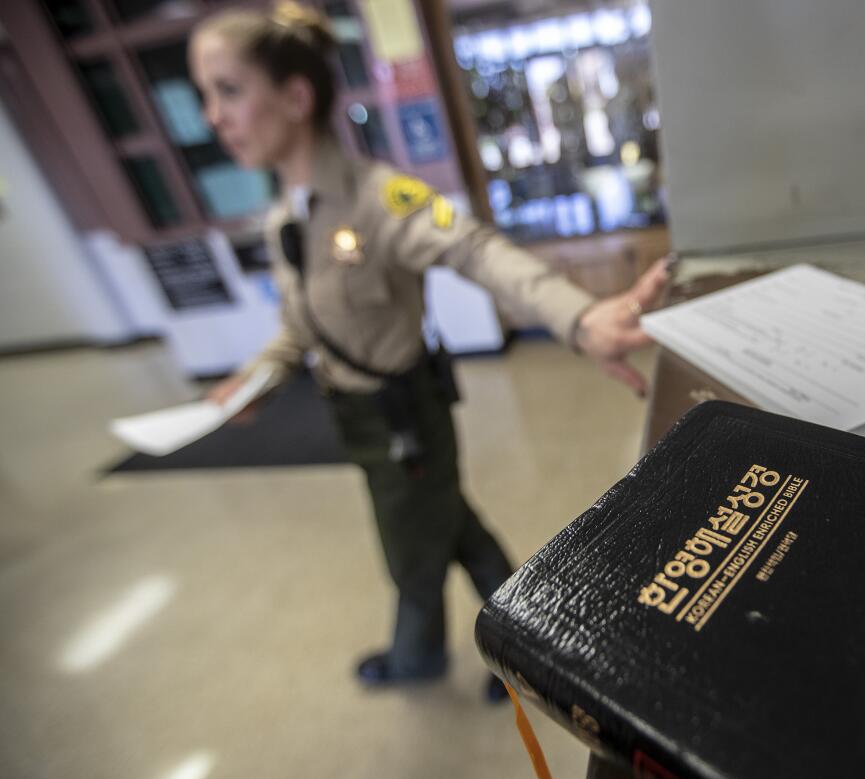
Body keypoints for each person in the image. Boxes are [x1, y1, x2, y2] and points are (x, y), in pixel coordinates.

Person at [188, 3, 669, 700]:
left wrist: (578, 316)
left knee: (411, 550)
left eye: (228, 91)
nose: (213, 116)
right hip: (357, 420)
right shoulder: (285, 217)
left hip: (405, 418)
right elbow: (301, 328)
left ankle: (423, 655)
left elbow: (474, 248)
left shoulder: (381, 196)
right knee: (455, 527)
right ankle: (533, 640)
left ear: (295, 97)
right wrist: (249, 382)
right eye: (205, 95)